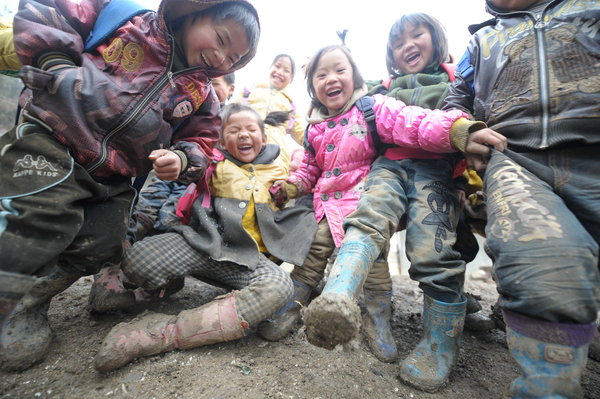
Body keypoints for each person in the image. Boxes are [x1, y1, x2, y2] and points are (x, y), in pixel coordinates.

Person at [0, 0, 260, 372]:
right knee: (35, 224)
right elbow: (54, 8)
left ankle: (28, 300)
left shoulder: (201, 96)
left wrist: (181, 161)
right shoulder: (129, 21)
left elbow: (202, 142)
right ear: (191, 12)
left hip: (113, 176)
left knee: (103, 244)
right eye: (220, 39)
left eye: (234, 58)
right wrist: (55, 62)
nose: (221, 58)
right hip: (53, 136)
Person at [264, 44, 506, 366]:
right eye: (320, 75)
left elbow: (413, 122)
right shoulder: (313, 129)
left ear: (355, 77)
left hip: (364, 198)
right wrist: (293, 185)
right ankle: (292, 306)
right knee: (312, 253)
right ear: (313, 88)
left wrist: (456, 131)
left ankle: (378, 319)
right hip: (326, 204)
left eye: (340, 70)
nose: (330, 78)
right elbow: (310, 169)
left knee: (376, 263)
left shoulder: (371, 108)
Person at [442, 0, 600, 397]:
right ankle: (548, 385)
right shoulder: (481, 40)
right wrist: (466, 128)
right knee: (540, 262)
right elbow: (455, 100)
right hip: (516, 159)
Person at [93, 103, 317, 372]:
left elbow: (304, 183)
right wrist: (178, 159)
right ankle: (162, 286)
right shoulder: (213, 161)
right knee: (138, 259)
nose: (244, 135)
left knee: (280, 287)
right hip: (198, 244)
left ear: (264, 137)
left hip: (245, 261)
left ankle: (160, 335)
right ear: (222, 139)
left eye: (251, 129)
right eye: (234, 130)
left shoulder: (278, 171)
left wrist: (294, 189)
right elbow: (191, 160)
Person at [88, 72, 238, 313]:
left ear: (230, 89)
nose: (208, 89)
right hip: (163, 174)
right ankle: (108, 281)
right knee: (141, 214)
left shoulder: (230, 119)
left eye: (216, 85)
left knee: (170, 220)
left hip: (192, 186)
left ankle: (150, 287)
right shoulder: (185, 104)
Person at [234, 53, 305, 168]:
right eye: (277, 66)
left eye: (286, 70)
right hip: (244, 146)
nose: (280, 72)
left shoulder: (291, 106)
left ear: (291, 79)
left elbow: (303, 134)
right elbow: (228, 115)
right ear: (270, 68)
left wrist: (319, 144)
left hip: (276, 157)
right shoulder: (249, 91)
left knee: (272, 182)